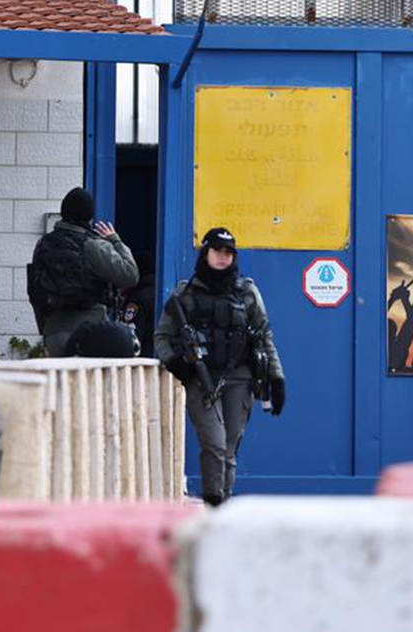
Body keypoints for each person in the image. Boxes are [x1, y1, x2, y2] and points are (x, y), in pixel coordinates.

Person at [155, 227, 285, 507]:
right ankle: (214, 501)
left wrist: (276, 378)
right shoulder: (184, 294)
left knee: (229, 445)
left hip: (240, 378)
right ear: (206, 253)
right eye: (217, 251)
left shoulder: (246, 292)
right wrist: (176, 364)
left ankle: (222, 503)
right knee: (214, 442)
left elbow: (264, 336)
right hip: (200, 379)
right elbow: (162, 337)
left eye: (228, 252)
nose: (223, 257)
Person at [28, 187, 139, 356]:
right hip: (91, 332)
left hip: (53, 331)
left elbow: (35, 290)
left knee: (59, 381)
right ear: (89, 217)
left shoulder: (43, 244)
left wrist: (45, 329)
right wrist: (115, 241)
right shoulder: (93, 245)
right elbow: (130, 275)